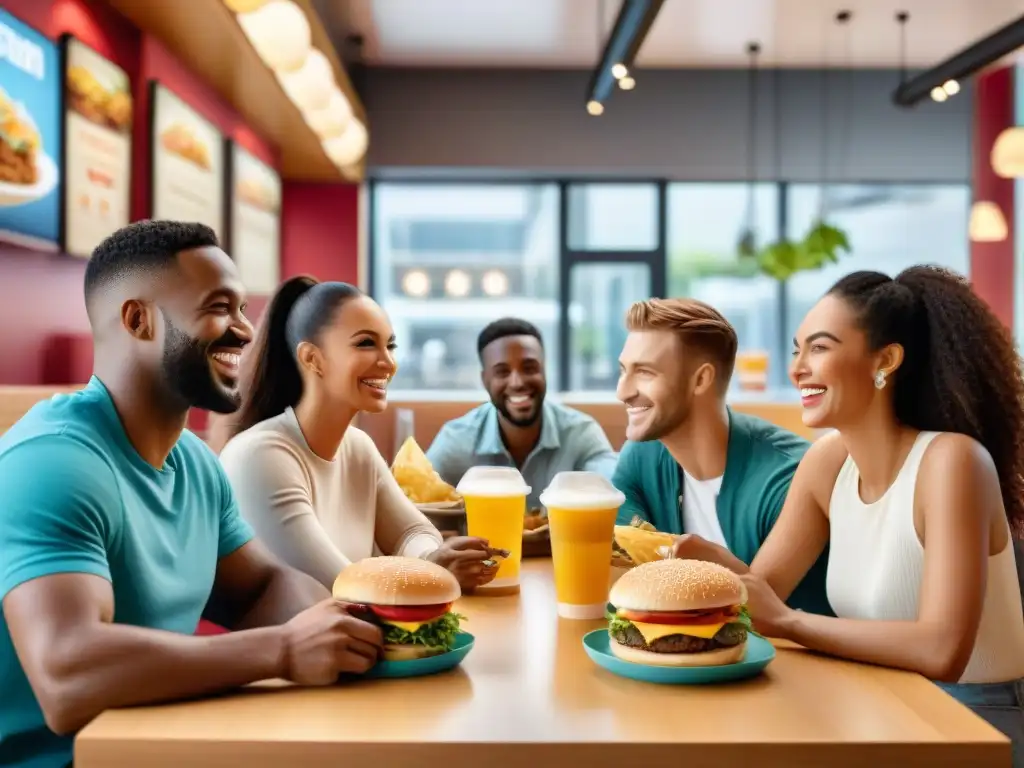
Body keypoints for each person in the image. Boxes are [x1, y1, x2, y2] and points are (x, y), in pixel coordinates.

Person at [0, 222, 385, 768]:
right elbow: (66, 676)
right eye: (219, 308)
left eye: (243, 309)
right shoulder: (53, 462)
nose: (247, 332)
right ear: (139, 320)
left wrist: (352, 631)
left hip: (157, 748)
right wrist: (283, 649)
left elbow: (258, 589)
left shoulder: (195, 462)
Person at [674, 267, 1024, 763]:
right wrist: (713, 565)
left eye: (819, 348)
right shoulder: (828, 461)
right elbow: (759, 599)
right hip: (880, 698)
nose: (797, 369)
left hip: (976, 720)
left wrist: (791, 622)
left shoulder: (953, 463)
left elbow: (943, 649)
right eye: (797, 350)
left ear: (886, 360)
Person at [218, 276, 502, 593]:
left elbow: (413, 531)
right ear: (312, 358)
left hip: (355, 636)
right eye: (366, 343)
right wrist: (430, 570)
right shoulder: (261, 456)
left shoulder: (358, 448)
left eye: (390, 345)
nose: (388, 362)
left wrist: (432, 558)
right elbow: (345, 587)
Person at [613, 298, 832, 616]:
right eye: (624, 370)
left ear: (700, 380)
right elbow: (621, 567)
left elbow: (755, 615)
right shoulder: (642, 455)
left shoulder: (788, 479)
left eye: (644, 373)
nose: (623, 391)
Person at [427, 317, 618, 511]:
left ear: (544, 370)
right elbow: (417, 506)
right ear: (485, 380)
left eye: (529, 368)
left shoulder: (581, 434)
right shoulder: (456, 440)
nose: (517, 382)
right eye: (502, 372)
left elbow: (615, 493)